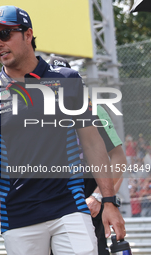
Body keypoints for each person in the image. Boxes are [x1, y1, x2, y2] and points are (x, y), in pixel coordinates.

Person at [0, 6, 125, 255]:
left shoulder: (68, 80)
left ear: (28, 34)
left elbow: (93, 144)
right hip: (17, 214)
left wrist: (108, 201)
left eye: (5, 34)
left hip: (70, 207)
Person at [48, 56, 127, 254]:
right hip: (49, 207)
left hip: (88, 205)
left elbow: (119, 158)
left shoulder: (95, 110)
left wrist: (99, 197)